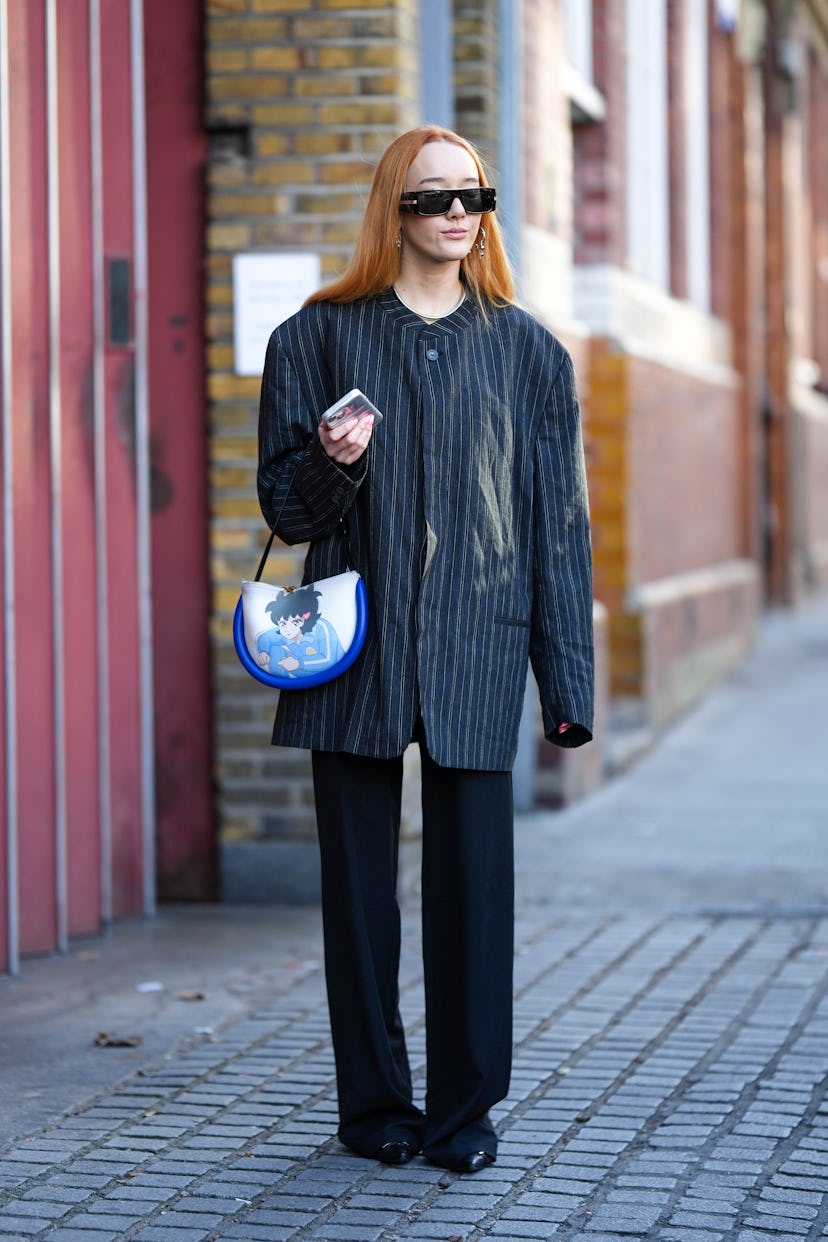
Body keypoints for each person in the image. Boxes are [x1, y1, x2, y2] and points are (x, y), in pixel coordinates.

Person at [257, 124, 594, 1174]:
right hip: (353, 649)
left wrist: (566, 682)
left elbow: (558, 529)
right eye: (434, 197)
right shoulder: (316, 339)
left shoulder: (530, 351)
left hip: (479, 649)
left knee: (472, 898)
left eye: (474, 196)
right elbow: (282, 507)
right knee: (358, 898)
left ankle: (463, 1114)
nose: (458, 213)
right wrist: (333, 462)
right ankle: (374, 1109)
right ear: (392, 211)